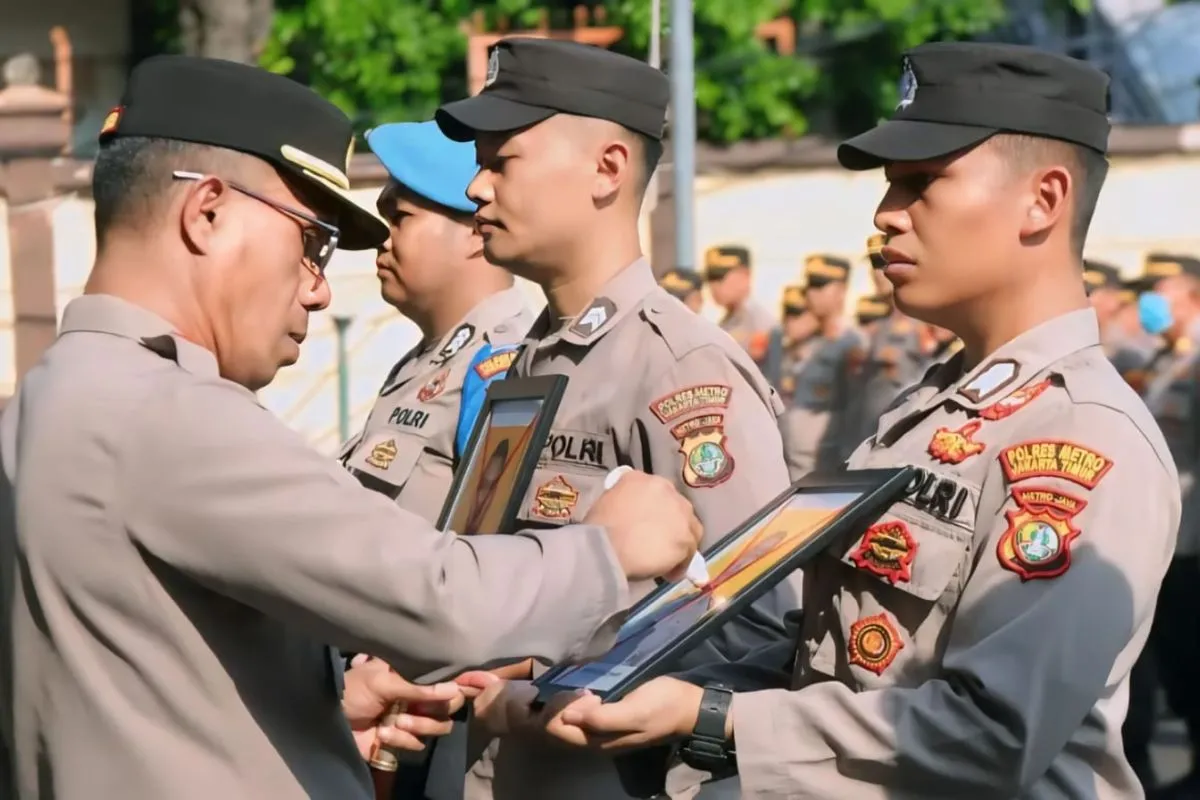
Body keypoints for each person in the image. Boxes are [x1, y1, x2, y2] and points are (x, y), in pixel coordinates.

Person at [476, 41, 1181, 800]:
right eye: (890, 187)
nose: (886, 215)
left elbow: (993, 733)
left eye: (921, 183)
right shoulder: (929, 410)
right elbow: (821, 659)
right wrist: (628, 698)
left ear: (1044, 200)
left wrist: (713, 715)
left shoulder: (1084, 435)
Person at [0, 55, 705, 800]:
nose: (318, 287)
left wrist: (326, 710)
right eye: (312, 242)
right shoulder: (164, 411)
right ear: (206, 212)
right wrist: (606, 548)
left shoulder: (53, 393)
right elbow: (442, 600)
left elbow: (153, 679)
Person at [434, 37, 797, 800]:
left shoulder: (677, 367)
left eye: (503, 163)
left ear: (607, 170)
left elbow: (752, 628)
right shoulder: (532, 359)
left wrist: (547, 685)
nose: (475, 188)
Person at [338, 121, 533, 526]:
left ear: (477, 233)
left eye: (400, 217)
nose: (383, 238)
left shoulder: (502, 369)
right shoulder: (426, 361)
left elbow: (495, 556)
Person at [1133, 253, 1200, 799]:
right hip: (1166, 538)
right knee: (1173, 660)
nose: (1151, 306)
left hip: (1194, 541)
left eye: (1164, 296)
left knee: (1192, 657)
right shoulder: (1167, 358)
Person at [840, 234, 931, 460]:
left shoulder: (926, 321)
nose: (876, 273)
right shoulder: (880, 327)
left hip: (907, 444)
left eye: (882, 263)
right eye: (873, 265)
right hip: (871, 439)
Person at [778, 254, 863, 479]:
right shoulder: (809, 343)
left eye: (820, 286)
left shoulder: (852, 344)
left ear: (841, 291)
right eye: (810, 287)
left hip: (827, 460)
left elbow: (856, 409)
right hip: (797, 460)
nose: (811, 294)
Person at [704, 245, 776, 367]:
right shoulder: (727, 321)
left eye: (720, 277)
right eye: (710, 278)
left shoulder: (759, 321)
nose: (713, 285)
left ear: (745, 276)